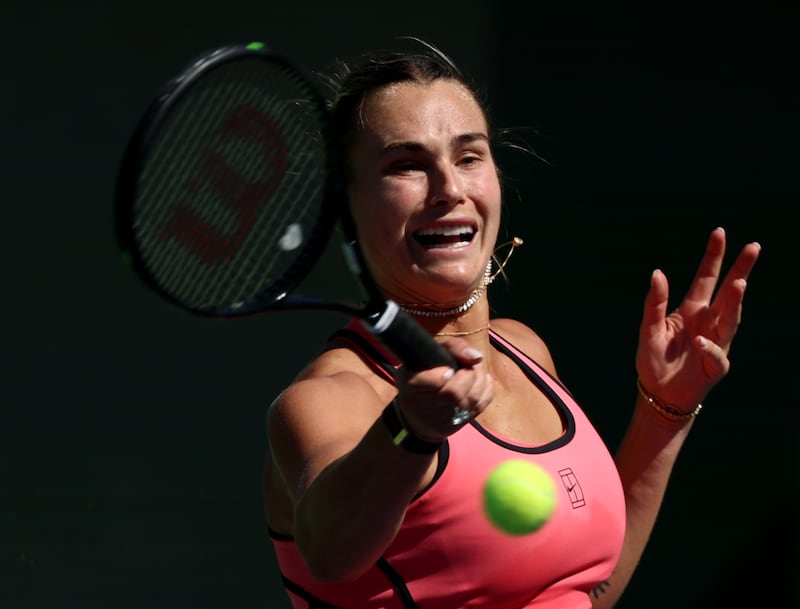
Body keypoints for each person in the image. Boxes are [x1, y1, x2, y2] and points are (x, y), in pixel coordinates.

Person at [262, 38, 761, 609]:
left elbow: (579, 589)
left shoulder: (524, 349)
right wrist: (407, 431)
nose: (450, 189)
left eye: (469, 156)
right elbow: (330, 554)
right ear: (344, 204)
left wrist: (663, 410)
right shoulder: (329, 398)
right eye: (406, 165)